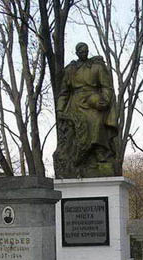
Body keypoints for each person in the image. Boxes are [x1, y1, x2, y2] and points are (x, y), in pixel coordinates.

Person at [54, 42, 118, 177]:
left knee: (96, 119)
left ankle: (99, 151)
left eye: (86, 51)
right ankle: (78, 158)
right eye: (81, 51)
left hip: (93, 100)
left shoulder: (97, 67)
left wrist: (104, 100)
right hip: (76, 103)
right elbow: (64, 92)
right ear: (77, 53)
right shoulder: (70, 70)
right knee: (78, 125)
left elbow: (106, 87)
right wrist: (60, 109)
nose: (84, 53)